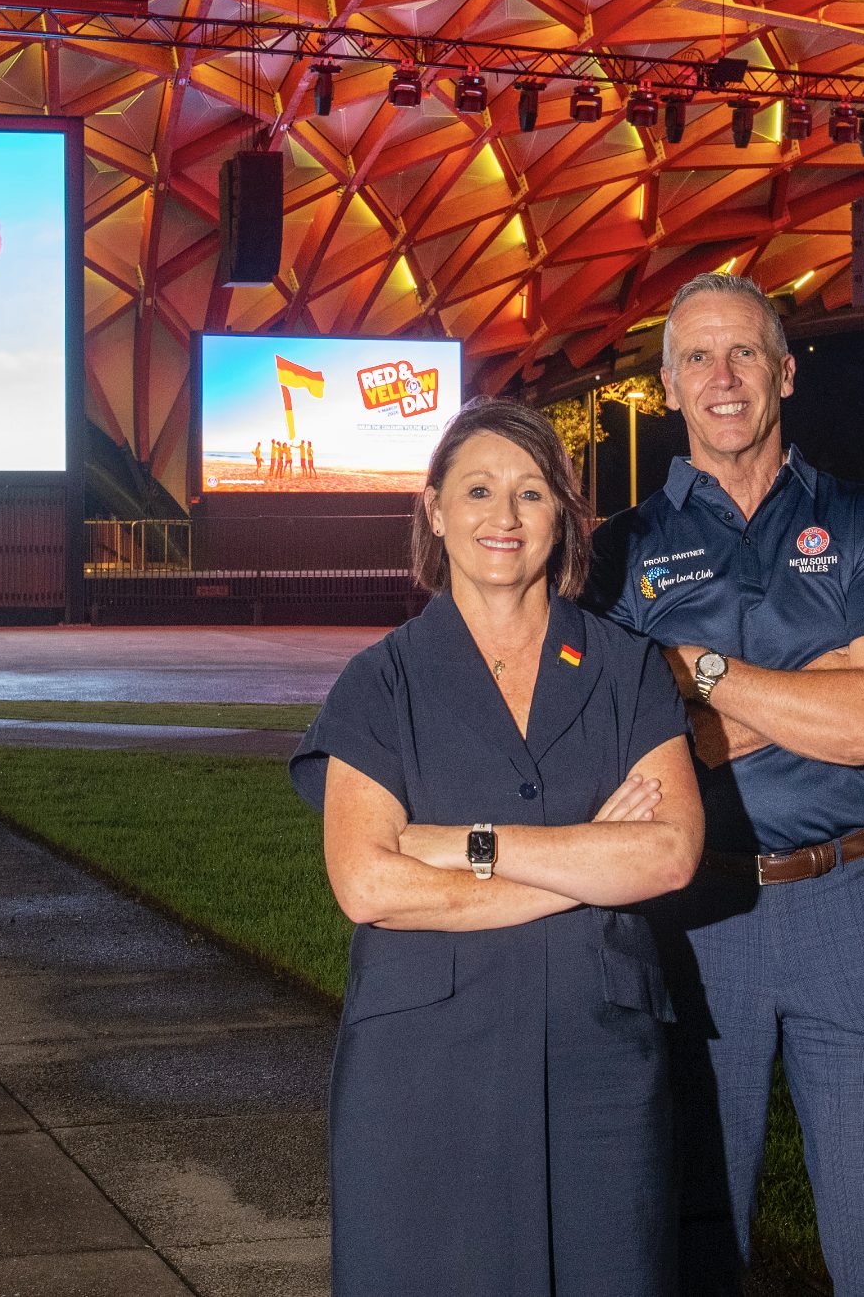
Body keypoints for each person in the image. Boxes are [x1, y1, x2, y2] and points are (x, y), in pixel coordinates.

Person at [292, 397, 704, 1297]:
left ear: (563, 514)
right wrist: (588, 863)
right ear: (436, 510)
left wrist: (474, 846)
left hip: (600, 1069)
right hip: (425, 1076)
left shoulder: (624, 665)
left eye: (530, 492)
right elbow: (367, 884)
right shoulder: (380, 681)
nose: (504, 517)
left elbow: (669, 855)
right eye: (478, 491)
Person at [590, 270, 864, 1297]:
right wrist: (821, 685)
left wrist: (697, 675)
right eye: (695, 355)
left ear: (784, 372)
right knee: (695, 1242)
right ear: (665, 385)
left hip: (852, 905)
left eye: (743, 350)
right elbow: (632, 756)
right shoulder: (617, 554)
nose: (721, 375)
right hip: (693, 916)